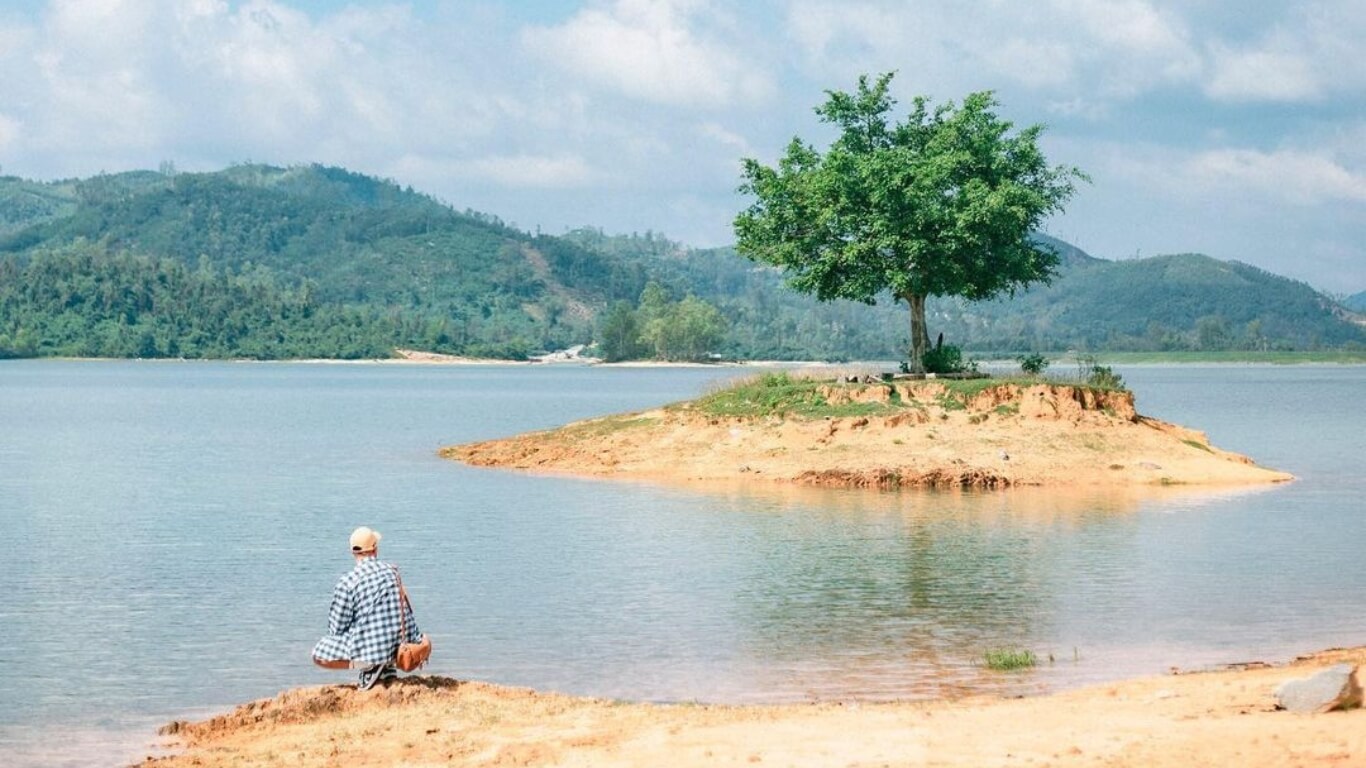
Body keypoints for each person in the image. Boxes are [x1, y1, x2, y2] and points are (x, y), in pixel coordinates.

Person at [312, 526, 422, 689]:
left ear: (353, 552)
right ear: (375, 549)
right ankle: (387, 665)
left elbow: (336, 629)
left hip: (370, 650)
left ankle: (369, 666)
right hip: (398, 646)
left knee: (318, 655)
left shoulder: (347, 581)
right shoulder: (392, 571)